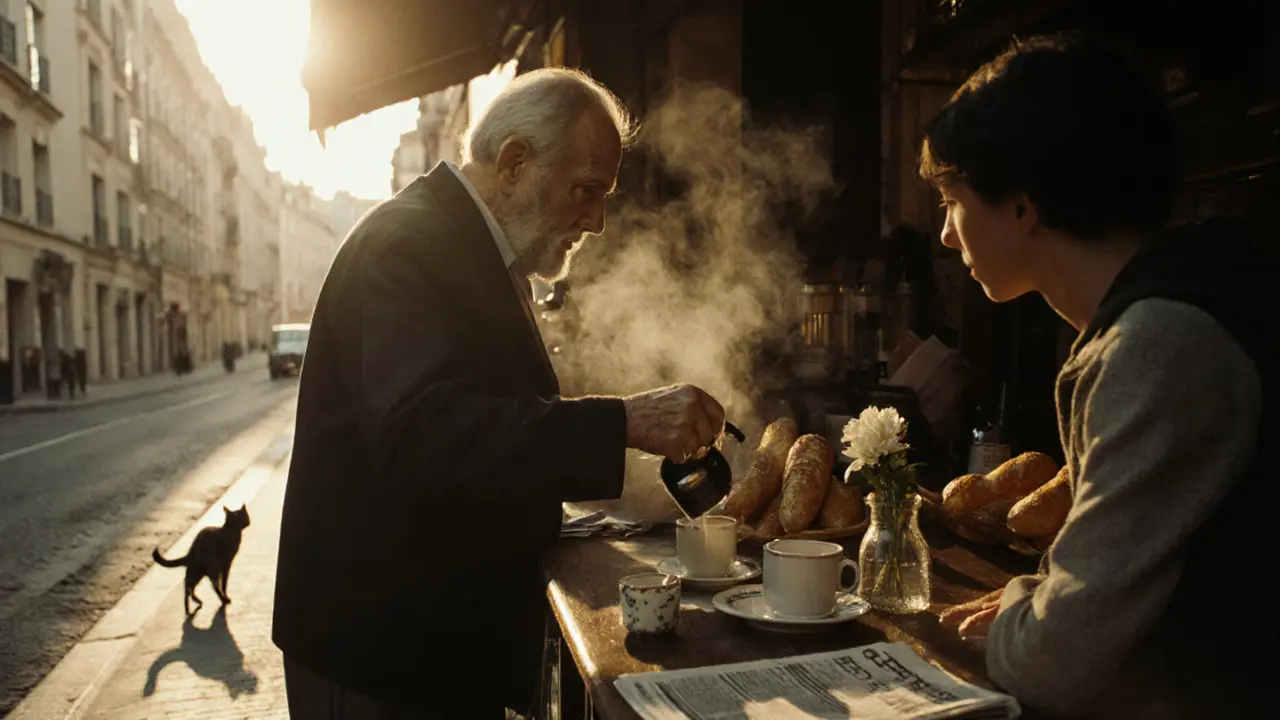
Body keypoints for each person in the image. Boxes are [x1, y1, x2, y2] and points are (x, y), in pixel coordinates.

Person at [272, 68, 727, 718]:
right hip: (379, 654)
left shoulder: (467, 244)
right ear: (515, 163)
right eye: (586, 190)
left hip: (429, 647)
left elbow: (492, 421)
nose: (597, 221)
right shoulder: (408, 245)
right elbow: (429, 437)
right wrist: (624, 421)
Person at [919, 34, 1276, 718]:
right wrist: (1047, 600)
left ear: (1023, 207)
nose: (945, 234)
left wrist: (1031, 604)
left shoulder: (1162, 345)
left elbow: (1053, 661)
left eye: (952, 200)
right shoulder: (1149, 318)